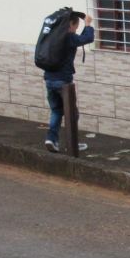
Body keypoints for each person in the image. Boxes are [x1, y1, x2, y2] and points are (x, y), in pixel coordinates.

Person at [44, 12, 94, 153]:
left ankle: (51, 139)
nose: (75, 30)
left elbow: (81, 38)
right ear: (70, 24)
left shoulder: (52, 35)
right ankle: (71, 143)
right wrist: (88, 24)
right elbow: (88, 38)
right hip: (63, 82)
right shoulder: (69, 37)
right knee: (73, 113)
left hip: (49, 79)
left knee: (56, 111)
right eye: (76, 27)